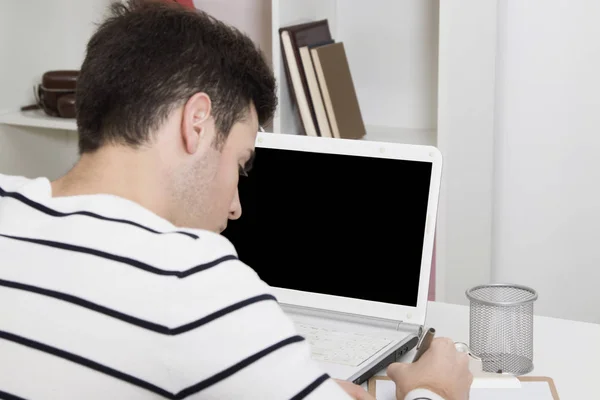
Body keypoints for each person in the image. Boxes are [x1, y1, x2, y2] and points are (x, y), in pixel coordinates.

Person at [0, 1, 473, 399]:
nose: (236, 207)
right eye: (241, 164)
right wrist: (433, 390)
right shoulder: (194, 283)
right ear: (197, 122)